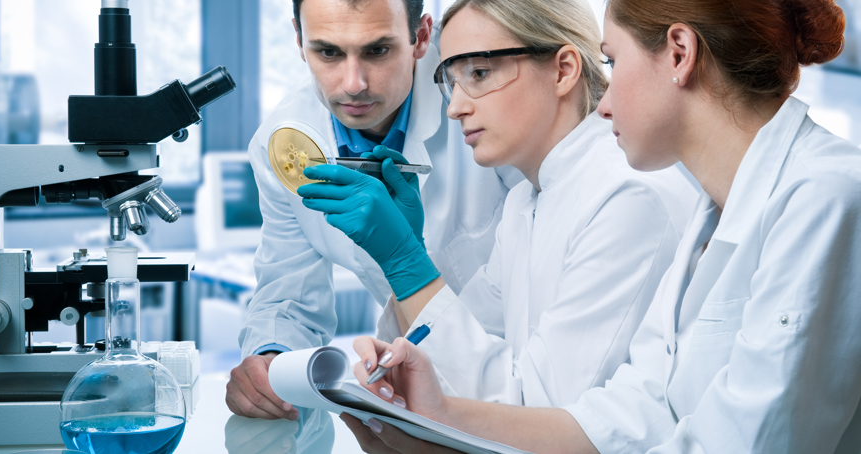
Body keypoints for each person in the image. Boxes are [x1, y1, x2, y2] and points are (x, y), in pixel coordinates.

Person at [339, 0, 861, 452]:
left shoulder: (825, 196)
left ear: (679, 54)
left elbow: (748, 442)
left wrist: (406, 264)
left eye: (612, 61)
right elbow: (637, 415)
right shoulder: (711, 211)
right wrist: (443, 417)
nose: (604, 101)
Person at [298, 0, 695, 409]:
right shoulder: (526, 199)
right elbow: (462, 352)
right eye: (452, 81)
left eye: (479, 73)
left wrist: (403, 260)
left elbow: (543, 414)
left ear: (563, 71)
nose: (455, 108)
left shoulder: (627, 197)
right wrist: (401, 348)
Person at [226, 0, 523, 420]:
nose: (353, 84)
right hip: (424, 388)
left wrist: (406, 255)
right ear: (298, 39)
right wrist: (268, 357)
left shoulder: (484, 98)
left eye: (377, 51)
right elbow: (290, 296)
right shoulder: (282, 144)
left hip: (528, 377)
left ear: (420, 36)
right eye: (328, 52)